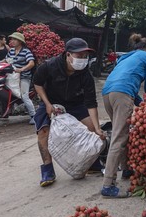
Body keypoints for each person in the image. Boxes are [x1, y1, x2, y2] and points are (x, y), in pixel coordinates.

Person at [32, 38, 105, 187]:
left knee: (91, 128)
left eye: (85, 56)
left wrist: (97, 127)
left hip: (75, 103)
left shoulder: (85, 75)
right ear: (68, 55)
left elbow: (91, 103)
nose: (83, 60)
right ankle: (47, 170)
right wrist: (47, 104)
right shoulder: (49, 66)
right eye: (79, 56)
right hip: (51, 101)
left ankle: (92, 162)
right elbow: (37, 83)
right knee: (43, 132)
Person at [101, 33, 146, 198]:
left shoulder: (124, 58)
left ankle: (126, 169)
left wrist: (141, 103)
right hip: (122, 94)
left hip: (107, 93)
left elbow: (127, 84)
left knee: (122, 132)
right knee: (119, 137)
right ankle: (108, 185)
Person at [6, 32, 36, 124]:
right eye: (11, 39)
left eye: (14, 39)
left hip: (24, 77)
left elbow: (31, 63)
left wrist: (22, 69)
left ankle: (34, 116)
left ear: (20, 41)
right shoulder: (11, 51)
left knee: (24, 96)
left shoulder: (26, 51)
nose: (12, 41)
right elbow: (6, 60)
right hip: (12, 77)